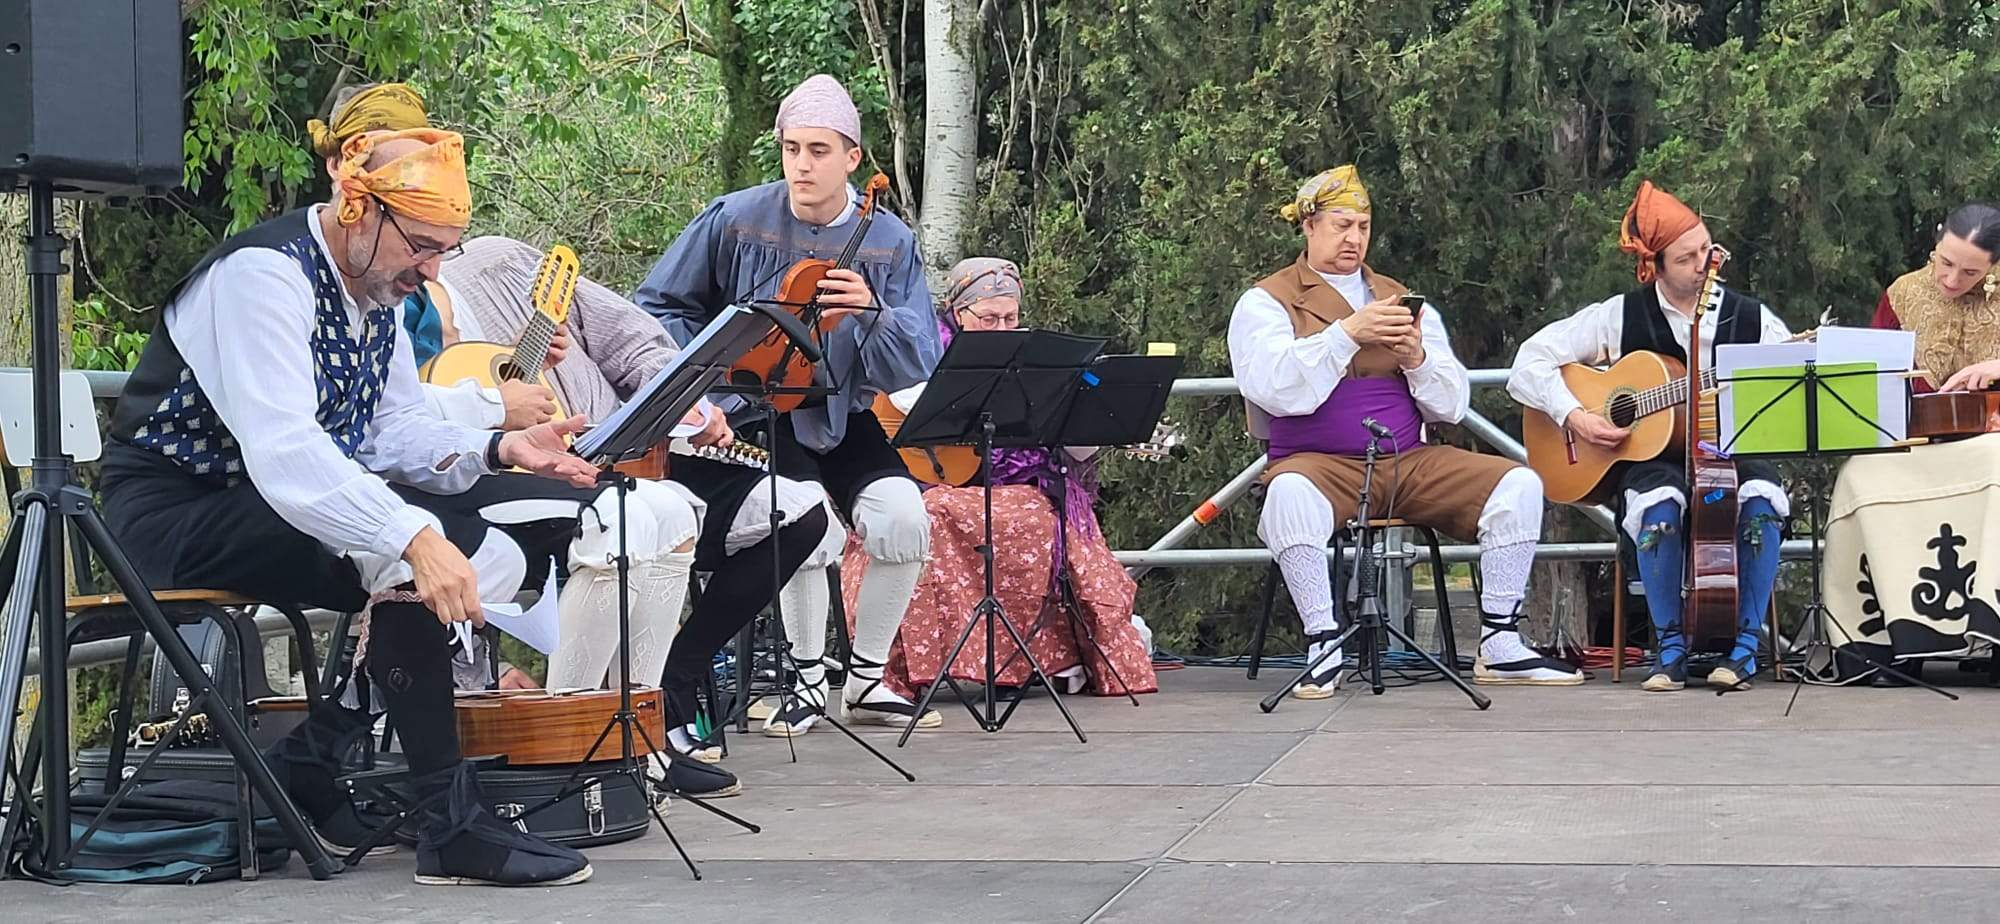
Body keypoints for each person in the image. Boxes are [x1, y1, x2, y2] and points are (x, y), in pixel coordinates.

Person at [96, 129, 633, 886]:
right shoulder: (261, 276)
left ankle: (314, 760)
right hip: (175, 513)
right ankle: (452, 827)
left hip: (264, 501)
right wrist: (413, 535)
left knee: (511, 544)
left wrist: (498, 451)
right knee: (408, 549)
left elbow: (387, 433)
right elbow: (285, 451)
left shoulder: (374, 294)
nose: (434, 267)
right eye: (421, 244)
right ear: (357, 208)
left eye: (445, 248)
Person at [408, 236, 833, 783]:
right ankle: (575, 745)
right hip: (514, 480)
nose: (431, 252)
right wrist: (497, 400)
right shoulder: (383, 304)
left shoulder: (504, 263)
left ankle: (651, 722)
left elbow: (634, 338)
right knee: (629, 516)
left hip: (634, 450)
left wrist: (688, 403)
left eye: (441, 233)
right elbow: (409, 433)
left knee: (782, 509)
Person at [632, 74, 944, 732]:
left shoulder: (888, 240)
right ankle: (803, 681)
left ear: (853, 157)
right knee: (810, 526)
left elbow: (919, 357)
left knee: (904, 518)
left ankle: (864, 679)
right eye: (792, 148)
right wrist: (716, 366)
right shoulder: (735, 218)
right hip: (753, 408)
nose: (802, 164)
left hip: (844, 410)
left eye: (819, 151)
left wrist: (874, 310)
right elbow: (656, 306)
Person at [1230, 165, 1581, 699]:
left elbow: (1451, 403)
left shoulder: (1398, 297)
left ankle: (1500, 642)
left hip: (1405, 460)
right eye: (1341, 225)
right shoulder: (1266, 301)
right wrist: (1346, 335)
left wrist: (1416, 358)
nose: (1354, 239)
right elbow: (1272, 388)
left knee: (1519, 485)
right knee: (1287, 496)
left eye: (1363, 226)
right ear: (1309, 226)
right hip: (1317, 463)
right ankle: (1323, 641)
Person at [836, 258, 1158, 711]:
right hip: (925, 483)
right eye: (989, 318)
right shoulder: (926, 348)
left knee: (1033, 516)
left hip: (1012, 485)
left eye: (1010, 318)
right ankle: (905, 667)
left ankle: (1024, 662)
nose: (1002, 328)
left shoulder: (1032, 363)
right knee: (929, 516)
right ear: (958, 312)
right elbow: (908, 402)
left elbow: (1065, 448)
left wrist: (1094, 425)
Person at [1508, 180, 1791, 692]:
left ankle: (1747, 647)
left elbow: (1790, 379)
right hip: (1650, 457)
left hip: (1730, 449)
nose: (1704, 263)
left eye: (1707, 248)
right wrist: (1575, 416)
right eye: (1687, 258)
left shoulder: (1749, 317)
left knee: (1764, 496)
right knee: (1658, 501)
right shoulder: (1620, 315)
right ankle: (1670, 648)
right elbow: (1527, 362)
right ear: (1654, 267)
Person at [1824, 203, 2000, 679]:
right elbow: (1874, 374)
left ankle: (1991, 630)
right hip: (1918, 444)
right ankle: (1877, 645)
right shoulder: (1903, 293)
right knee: (1859, 474)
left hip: (1991, 441)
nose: (1950, 279)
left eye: (1969, 272)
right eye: (1945, 263)